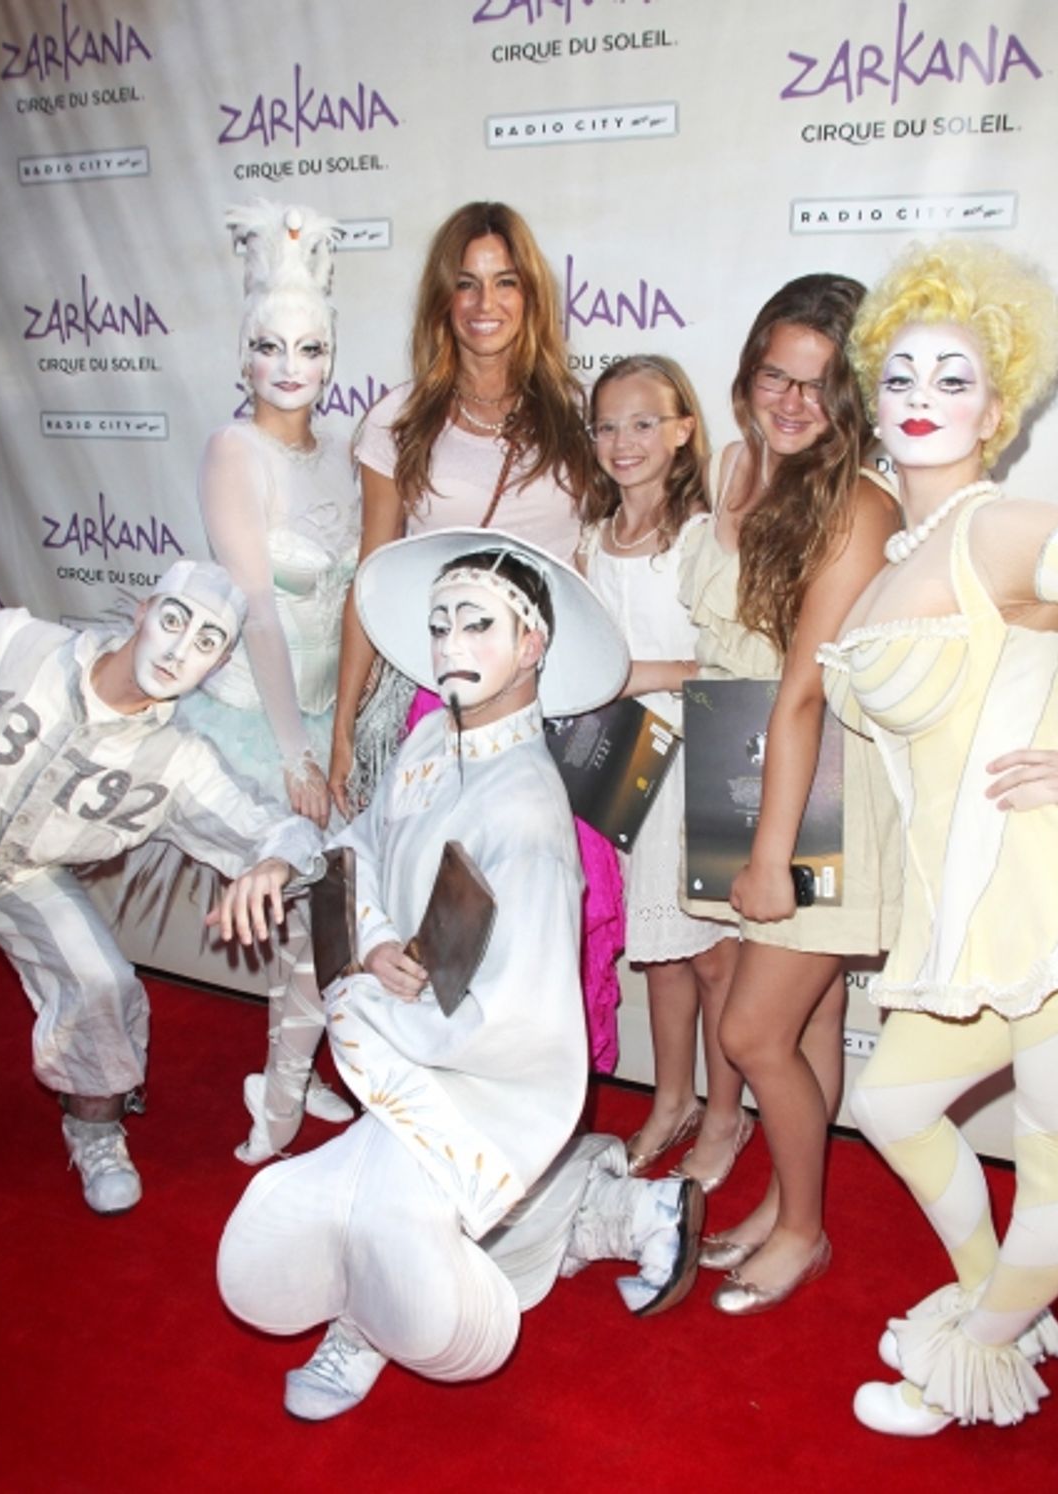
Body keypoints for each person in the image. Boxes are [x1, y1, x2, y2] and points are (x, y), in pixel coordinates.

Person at [215, 530, 704, 1421]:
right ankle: (619, 1205)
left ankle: (369, 1320)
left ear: (532, 646)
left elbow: (512, 1007)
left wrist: (380, 1012)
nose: (449, 646)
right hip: (409, 1026)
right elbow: (360, 845)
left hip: (475, 1061)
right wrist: (366, 948)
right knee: (433, 1207)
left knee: (403, 1223)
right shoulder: (433, 738)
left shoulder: (526, 805)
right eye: (440, 624)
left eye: (478, 624)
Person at [819, 239, 1058, 1434]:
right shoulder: (895, 555)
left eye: (955, 379)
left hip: (1057, 904)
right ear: (873, 397)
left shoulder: (1008, 530)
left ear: (1002, 402)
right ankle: (1001, 1303)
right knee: (888, 1105)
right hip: (953, 914)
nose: (924, 401)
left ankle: (964, 1359)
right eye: (903, 377)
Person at [0, 561, 324, 1213]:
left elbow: (283, 832)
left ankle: (94, 1127)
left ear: (221, 664)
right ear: (143, 611)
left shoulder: (178, 761)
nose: (181, 651)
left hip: (14, 876)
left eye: (208, 642)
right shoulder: (14, 642)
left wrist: (274, 865)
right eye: (175, 621)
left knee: (101, 983)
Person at [326, 200, 626, 1073]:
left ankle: (545, 1094)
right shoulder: (398, 420)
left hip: (554, 699)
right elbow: (371, 579)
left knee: (556, 915)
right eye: (465, 284)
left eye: (504, 282)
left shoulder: (578, 417)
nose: (485, 303)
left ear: (530, 297)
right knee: (434, 909)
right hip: (437, 700)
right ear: (441, 302)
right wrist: (345, 727)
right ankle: (431, 1089)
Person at [677, 275, 901, 1308]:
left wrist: (771, 856)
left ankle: (805, 1228)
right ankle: (785, 1199)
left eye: (821, 385)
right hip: (745, 759)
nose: (793, 401)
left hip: (820, 792)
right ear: (749, 371)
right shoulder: (740, 468)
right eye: (776, 373)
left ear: (855, 397)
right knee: (805, 1029)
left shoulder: (861, 503)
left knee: (751, 1033)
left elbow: (806, 688)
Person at [179, 200, 376, 1162]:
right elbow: (257, 606)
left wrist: (343, 736)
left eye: (310, 348)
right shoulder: (232, 451)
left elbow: (356, 603)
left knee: (323, 913)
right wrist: (298, 755)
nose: (290, 367)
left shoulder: (347, 452)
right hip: (255, 726)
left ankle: (293, 1075)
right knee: (298, 916)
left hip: (333, 721)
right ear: (243, 354)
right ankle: (284, 1099)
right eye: (270, 346)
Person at [577, 355, 738, 1176]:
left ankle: (723, 1115)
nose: (623, 440)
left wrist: (643, 674)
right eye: (607, 424)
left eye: (644, 422)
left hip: (699, 757)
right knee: (661, 951)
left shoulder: (706, 535)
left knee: (713, 957)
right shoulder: (593, 539)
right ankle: (671, 1100)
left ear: (682, 431)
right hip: (625, 759)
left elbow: (719, 666)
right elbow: (577, 658)